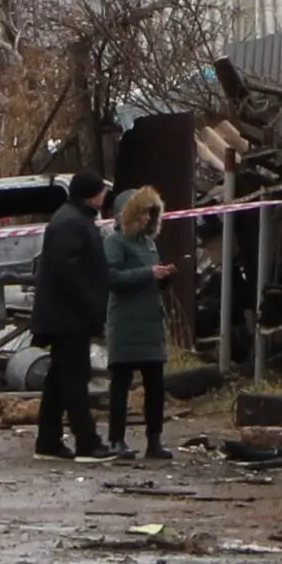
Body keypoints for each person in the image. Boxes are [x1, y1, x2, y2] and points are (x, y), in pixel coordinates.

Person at [30, 169, 112, 462]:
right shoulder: (71, 223)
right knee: (75, 379)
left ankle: (48, 441)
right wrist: (92, 305)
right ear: (91, 195)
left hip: (64, 315)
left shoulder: (74, 219)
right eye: (101, 191)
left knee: (58, 378)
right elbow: (70, 272)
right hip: (68, 317)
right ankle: (87, 442)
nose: (104, 196)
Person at [103, 186, 177, 460]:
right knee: (121, 384)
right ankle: (116, 440)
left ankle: (154, 440)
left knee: (155, 384)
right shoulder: (115, 242)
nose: (147, 218)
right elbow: (111, 278)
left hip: (150, 322)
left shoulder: (148, 242)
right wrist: (148, 273)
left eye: (151, 213)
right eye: (143, 213)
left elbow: (149, 277)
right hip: (125, 322)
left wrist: (164, 277)